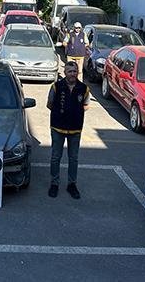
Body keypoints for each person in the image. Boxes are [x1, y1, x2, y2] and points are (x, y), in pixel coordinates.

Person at [47, 61, 90, 199]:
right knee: (55, 157)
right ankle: (54, 184)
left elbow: (86, 105)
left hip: (75, 129)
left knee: (73, 158)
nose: (72, 74)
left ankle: (72, 184)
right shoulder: (56, 86)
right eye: (69, 71)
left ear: (78, 72)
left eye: (74, 71)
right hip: (57, 127)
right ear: (64, 72)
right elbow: (50, 104)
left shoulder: (84, 89)